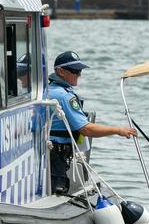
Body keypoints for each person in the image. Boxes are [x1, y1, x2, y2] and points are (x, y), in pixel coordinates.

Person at [48, 51, 136, 194]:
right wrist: (118, 130)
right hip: (56, 157)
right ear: (60, 71)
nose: (79, 74)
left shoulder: (47, 90)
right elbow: (86, 129)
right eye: (75, 71)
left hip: (46, 153)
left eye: (80, 71)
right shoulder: (64, 96)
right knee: (57, 191)